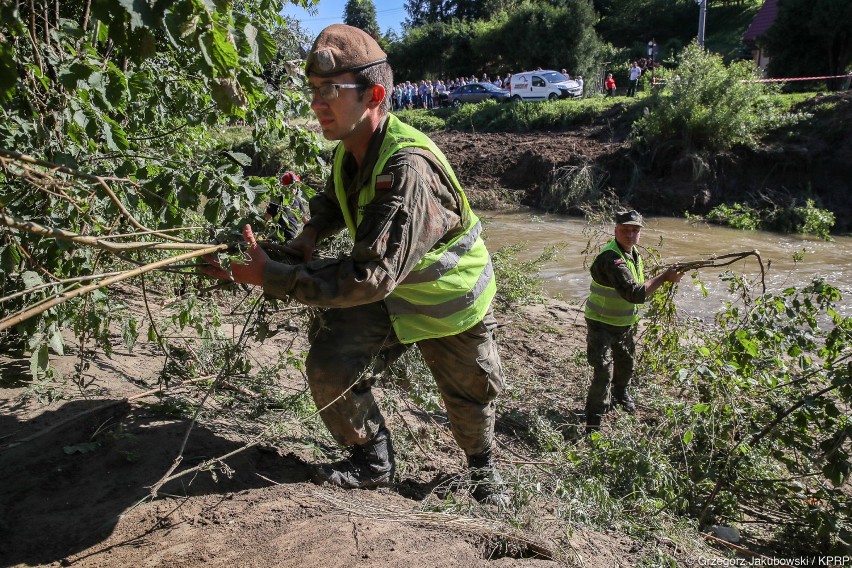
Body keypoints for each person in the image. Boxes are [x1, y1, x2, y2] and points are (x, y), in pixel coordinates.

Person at [201, 24, 508, 506]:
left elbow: (369, 279)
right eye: (314, 90)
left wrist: (271, 276)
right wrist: (308, 235)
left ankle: (483, 471)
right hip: (392, 297)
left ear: (375, 95)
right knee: (330, 362)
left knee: (469, 401)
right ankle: (373, 462)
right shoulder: (353, 148)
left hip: (449, 307)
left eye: (333, 91)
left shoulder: (407, 169)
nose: (318, 103)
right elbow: (333, 199)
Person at [583, 210, 684, 432]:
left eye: (635, 230)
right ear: (615, 230)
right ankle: (593, 420)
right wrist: (664, 277)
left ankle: (620, 394)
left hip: (623, 324)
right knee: (603, 371)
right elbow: (635, 294)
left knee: (626, 364)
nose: (630, 234)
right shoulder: (612, 259)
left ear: (640, 232)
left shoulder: (633, 253)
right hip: (601, 323)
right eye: (625, 230)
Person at [265, 171, 308, 241]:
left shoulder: (298, 201)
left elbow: (304, 219)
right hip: (275, 236)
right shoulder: (277, 200)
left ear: (297, 189)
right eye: (289, 187)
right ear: (282, 188)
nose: (292, 190)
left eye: (294, 187)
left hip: (291, 237)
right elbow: (267, 218)